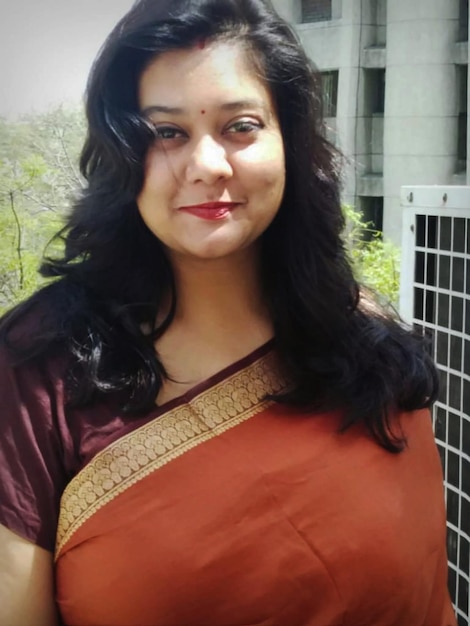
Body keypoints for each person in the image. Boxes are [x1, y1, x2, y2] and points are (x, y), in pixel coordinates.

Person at [0, 0, 457, 624]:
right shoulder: (37, 375)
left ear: (290, 143)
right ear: (120, 154)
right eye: (166, 132)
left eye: (240, 126)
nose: (207, 166)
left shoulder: (364, 341)